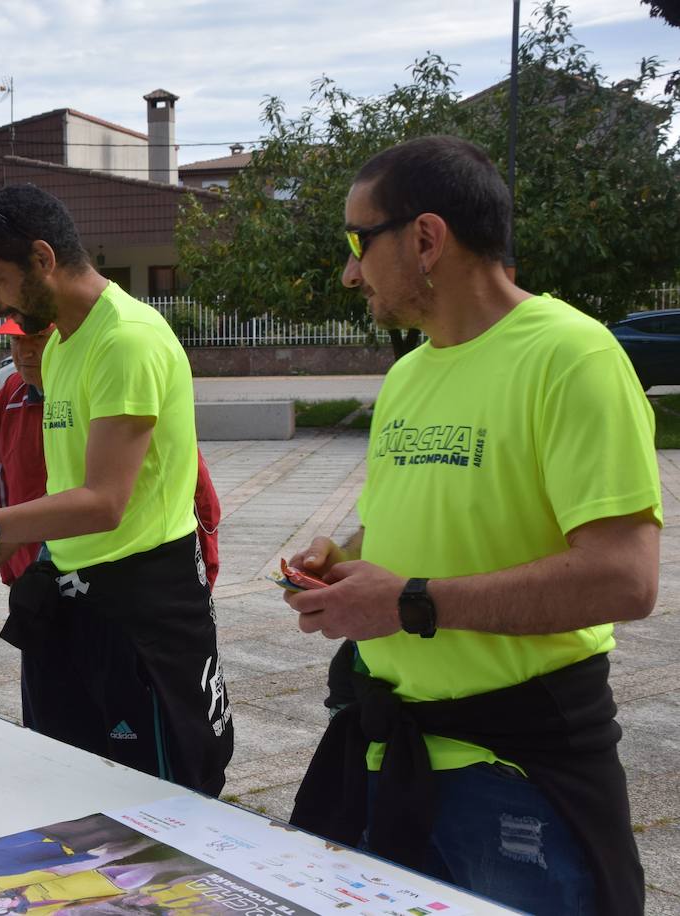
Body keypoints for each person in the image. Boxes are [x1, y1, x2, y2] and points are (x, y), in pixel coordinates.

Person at [283, 136, 661, 915]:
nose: (349, 270)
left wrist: (408, 602)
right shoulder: (411, 372)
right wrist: (346, 556)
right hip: (393, 754)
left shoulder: (572, 356)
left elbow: (626, 577)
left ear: (425, 238)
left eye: (358, 242)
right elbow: (435, 511)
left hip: (514, 774)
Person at [0, 185, 233, 796]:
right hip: (71, 596)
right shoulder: (65, 343)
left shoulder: (126, 339)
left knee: (161, 806)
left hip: (141, 610)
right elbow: (66, 489)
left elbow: (104, 501)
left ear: (42, 260)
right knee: (68, 793)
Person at [0, 318, 222, 589]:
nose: (25, 352)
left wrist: (205, 567)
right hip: (30, 558)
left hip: (118, 562)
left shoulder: (106, 388)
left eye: (38, 338)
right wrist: (3, 552)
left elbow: (193, 487)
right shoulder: (10, 396)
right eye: (17, 340)